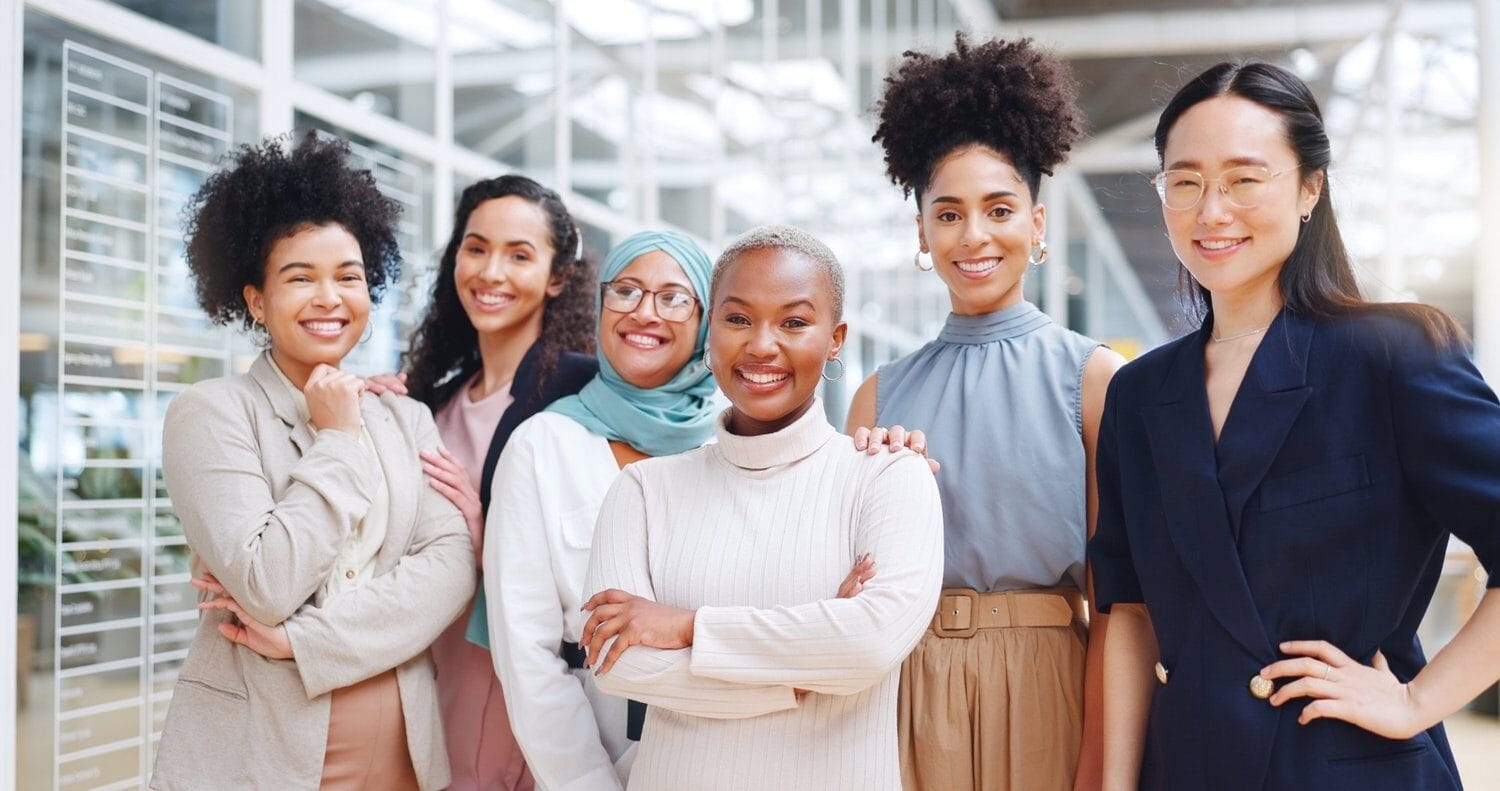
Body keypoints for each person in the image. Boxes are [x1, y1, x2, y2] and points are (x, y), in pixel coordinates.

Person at [1088, 62, 1500, 791]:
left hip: (1347, 766)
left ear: (1310, 187)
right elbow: (1129, 613)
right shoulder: (1140, 394)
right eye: (1184, 182)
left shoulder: (1394, 355)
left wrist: (1417, 700)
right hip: (1188, 768)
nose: (1212, 211)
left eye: (1245, 178)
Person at [152, 132, 475, 790]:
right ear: (255, 299)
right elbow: (268, 584)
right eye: (300, 277)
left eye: (348, 276)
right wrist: (336, 439)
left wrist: (307, 641)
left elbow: (449, 569)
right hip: (261, 756)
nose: (329, 297)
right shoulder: (212, 414)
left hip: (405, 755)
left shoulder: (406, 416)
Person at [578, 225, 944, 790]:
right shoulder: (644, 491)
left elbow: (870, 641)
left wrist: (687, 627)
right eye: (738, 319)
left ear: (836, 338)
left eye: (794, 322)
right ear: (709, 330)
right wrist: (800, 679)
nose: (762, 346)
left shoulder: (889, 475)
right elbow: (616, 663)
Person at [857, 35, 1123, 790]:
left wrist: (1100, 767)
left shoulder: (1095, 379)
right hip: (906, 689)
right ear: (921, 233)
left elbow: (1116, 607)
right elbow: (842, 581)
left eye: (999, 208)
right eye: (948, 213)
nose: (973, 235)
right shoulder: (878, 396)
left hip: (1050, 684)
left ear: (1037, 225)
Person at [367, 174, 597, 791]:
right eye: (476, 248)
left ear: (558, 277)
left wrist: (485, 535)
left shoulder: (583, 392)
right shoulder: (433, 399)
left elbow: (604, 549)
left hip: (510, 676)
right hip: (425, 665)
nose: (491, 272)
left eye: (519, 255)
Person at [479, 230, 718, 789]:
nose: (645, 313)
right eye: (626, 290)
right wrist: (586, 782)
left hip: (726, 745)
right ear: (599, 303)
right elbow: (526, 652)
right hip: (593, 749)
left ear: (707, 316)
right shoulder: (543, 445)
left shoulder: (736, 441)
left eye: (674, 297)